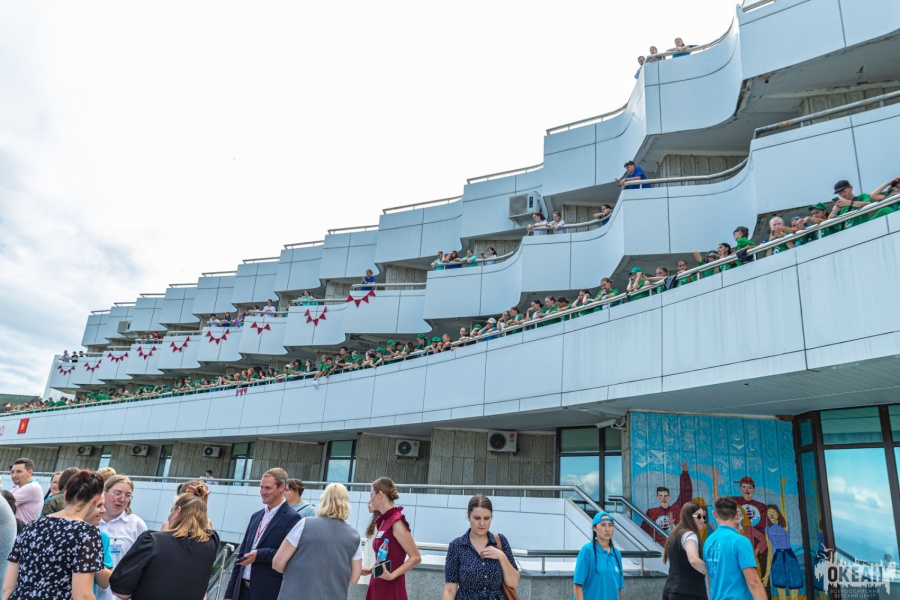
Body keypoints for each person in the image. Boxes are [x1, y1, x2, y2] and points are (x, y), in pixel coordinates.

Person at [3, 470, 105, 600]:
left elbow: (8, 587)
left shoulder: (32, 526)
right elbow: (82, 595)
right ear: (96, 499)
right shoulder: (87, 533)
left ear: (66, 495)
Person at [108, 483, 218, 600]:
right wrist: (200, 504)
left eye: (171, 511)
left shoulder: (152, 541)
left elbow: (120, 590)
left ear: (178, 511)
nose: (169, 517)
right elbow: (206, 528)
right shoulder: (211, 543)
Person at [273, 483, 362, 599]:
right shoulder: (355, 536)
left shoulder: (304, 524)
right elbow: (354, 577)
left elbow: (277, 563)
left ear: (323, 499)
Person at [225, 468, 301, 600]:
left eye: (268, 488)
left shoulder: (293, 518)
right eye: (261, 487)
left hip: (266, 592)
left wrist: (260, 555)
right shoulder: (256, 516)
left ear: (282, 487)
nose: (262, 492)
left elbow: (289, 556)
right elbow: (241, 554)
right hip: (241, 591)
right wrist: (229, 594)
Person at [442, 494, 519, 600]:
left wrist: (501, 556)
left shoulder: (500, 542)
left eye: (486, 518)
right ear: (468, 515)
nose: (482, 523)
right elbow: (449, 589)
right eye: (477, 518)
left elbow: (513, 583)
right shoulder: (457, 546)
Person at [366, 477, 422, 600]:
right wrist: (370, 570)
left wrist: (391, 576)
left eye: (371, 495)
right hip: (378, 585)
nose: (370, 499)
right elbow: (385, 558)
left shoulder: (396, 521)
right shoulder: (384, 520)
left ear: (380, 494)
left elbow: (416, 557)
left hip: (390, 588)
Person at [703, 496, 767, 600]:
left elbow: (710, 577)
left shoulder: (708, 542)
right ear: (737, 515)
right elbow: (753, 582)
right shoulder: (741, 541)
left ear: (714, 514)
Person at [96, 474, 148, 600]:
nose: (122, 499)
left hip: (117, 596)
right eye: (117, 493)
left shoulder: (136, 524)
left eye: (128, 495)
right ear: (104, 492)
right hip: (87, 592)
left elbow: (143, 562)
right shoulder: (89, 520)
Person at [763, 478, 802, 600]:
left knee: (794, 586)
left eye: (774, 513)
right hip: (777, 558)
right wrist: (767, 573)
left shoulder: (784, 526)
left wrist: (783, 489)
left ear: (778, 514)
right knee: (780, 588)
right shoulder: (767, 529)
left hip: (789, 555)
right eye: (769, 513)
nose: (772, 515)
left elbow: (783, 508)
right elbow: (770, 551)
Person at [572, 511, 623, 600]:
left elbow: (619, 588)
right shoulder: (587, 550)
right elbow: (578, 584)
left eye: (610, 525)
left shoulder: (616, 553)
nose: (607, 529)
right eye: (603, 525)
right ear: (594, 528)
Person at [662, 502, 708, 600]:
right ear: (689, 517)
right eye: (698, 516)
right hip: (688, 592)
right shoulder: (690, 535)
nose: (702, 519)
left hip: (670, 590)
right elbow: (693, 560)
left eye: (704, 517)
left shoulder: (676, 533)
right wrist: (712, 571)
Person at [642, 462, 692, 543]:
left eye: (665, 495)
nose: (663, 498)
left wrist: (685, 473)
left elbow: (686, 494)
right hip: (657, 546)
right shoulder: (651, 513)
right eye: (660, 495)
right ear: (657, 497)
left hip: (673, 545)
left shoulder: (676, 509)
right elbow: (644, 532)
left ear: (669, 497)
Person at [9, 458, 43, 524]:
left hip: (23, 529)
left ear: (29, 472)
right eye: (12, 472)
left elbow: (4, 502)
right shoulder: (19, 487)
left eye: (19, 472)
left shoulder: (31, 487)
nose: (14, 475)